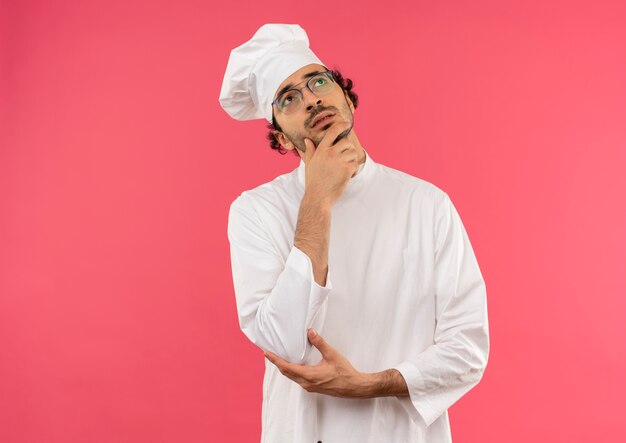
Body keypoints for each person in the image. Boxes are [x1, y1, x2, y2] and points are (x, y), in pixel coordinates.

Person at [219, 23, 490, 443]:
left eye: (318, 81)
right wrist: (317, 203)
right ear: (280, 137)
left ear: (345, 95)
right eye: (288, 98)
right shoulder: (256, 211)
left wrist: (370, 385)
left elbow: (467, 347)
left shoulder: (426, 204)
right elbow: (281, 343)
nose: (311, 99)